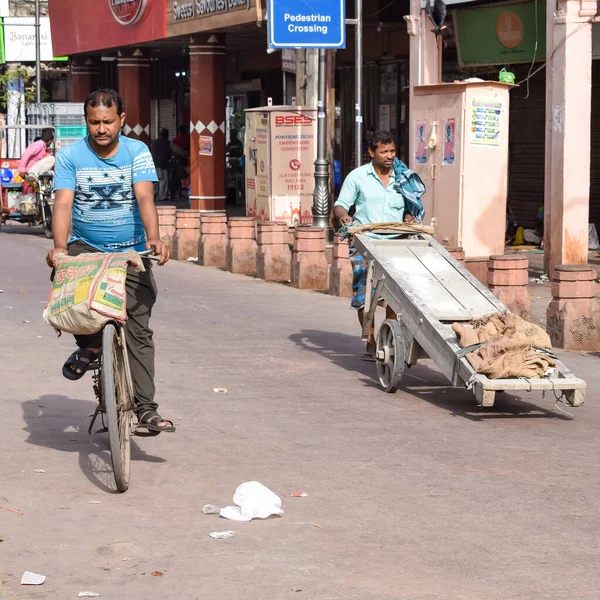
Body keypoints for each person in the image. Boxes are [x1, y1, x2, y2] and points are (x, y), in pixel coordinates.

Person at [46, 88, 175, 435]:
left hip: (131, 249)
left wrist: (154, 237)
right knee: (67, 297)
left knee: (138, 327)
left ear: (121, 120)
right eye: (94, 122)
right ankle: (88, 345)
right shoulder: (72, 155)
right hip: (85, 246)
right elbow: (62, 203)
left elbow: (145, 197)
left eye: (107, 121)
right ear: (86, 122)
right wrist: (60, 248)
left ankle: (146, 410)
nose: (101, 128)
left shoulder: (138, 152)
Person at [334, 130, 415, 361]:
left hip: (395, 244)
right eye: (384, 151)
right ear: (371, 153)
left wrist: (409, 217)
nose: (389, 156)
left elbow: (412, 205)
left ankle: (390, 338)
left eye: (392, 151)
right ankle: (369, 341)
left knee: (393, 294)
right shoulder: (358, 177)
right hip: (364, 241)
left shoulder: (403, 177)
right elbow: (341, 205)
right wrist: (344, 217)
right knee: (365, 294)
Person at [152, 128, 171, 202]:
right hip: (163, 165)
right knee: (163, 181)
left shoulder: (155, 142)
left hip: (155, 164)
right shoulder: (168, 143)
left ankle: (154, 194)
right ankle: (162, 196)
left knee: (155, 181)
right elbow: (176, 149)